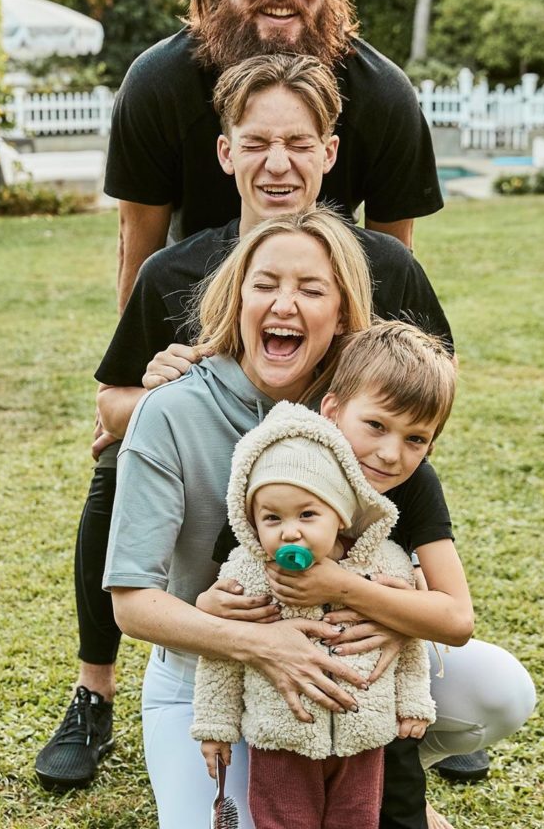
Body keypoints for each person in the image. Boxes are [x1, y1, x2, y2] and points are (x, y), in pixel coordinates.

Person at [35, 53, 456, 796]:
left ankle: (402, 768)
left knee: (498, 692)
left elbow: (417, 423)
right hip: (216, 645)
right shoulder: (177, 282)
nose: (278, 163)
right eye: (257, 142)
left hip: (351, 617)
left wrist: (394, 605)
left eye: (298, 143)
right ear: (225, 152)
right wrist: (165, 398)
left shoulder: (379, 299)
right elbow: (114, 405)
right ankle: (97, 692)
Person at [102, 210, 474, 829]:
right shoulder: (169, 411)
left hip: (354, 667)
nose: (284, 304)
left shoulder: (364, 410)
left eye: (311, 289)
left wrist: (387, 616)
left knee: (501, 692)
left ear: (342, 314)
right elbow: (132, 604)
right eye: (266, 284)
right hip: (209, 670)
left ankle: (382, 775)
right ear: (237, 299)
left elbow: (442, 601)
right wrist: (259, 642)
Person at [107, 0, 442, 313]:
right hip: (193, 318)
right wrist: (143, 356)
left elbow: (392, 277)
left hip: (328, 319)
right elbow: (138, 264)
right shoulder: (158, 86)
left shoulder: (384, 96)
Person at [192, 320, 458, 829]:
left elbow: (456, 619)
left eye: (416, 438)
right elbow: (225, 581)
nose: (390, 453)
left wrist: (352, 593)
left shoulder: (416, 484)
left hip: (370, 697)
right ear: (332, 411)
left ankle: (411, 792)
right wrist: (209, 608)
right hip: (283, 710)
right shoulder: (284, 474)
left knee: (390, 801)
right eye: (376, 425)